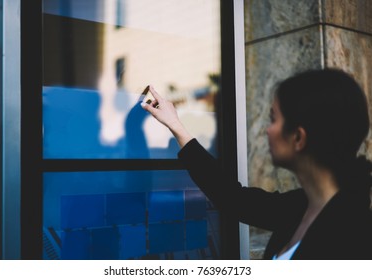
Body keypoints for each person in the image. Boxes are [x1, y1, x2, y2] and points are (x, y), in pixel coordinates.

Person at [141, 68, 372, 260]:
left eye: (273, 119)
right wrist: (176, 126)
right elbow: (233, 198)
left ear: (299, 138)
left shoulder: (355, 239)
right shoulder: (300, 207)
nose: (266, 129)